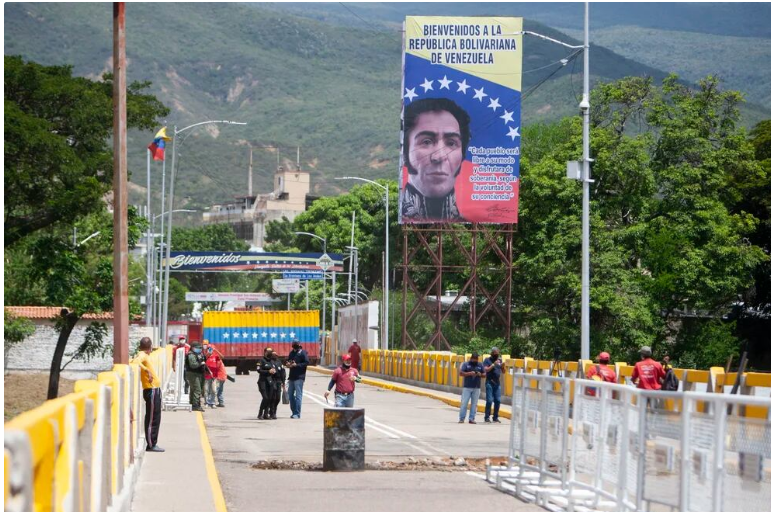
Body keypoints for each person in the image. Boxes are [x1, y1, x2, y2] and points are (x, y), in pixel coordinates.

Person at [401, 97, 470, 222]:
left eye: (451, 143)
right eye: (426, 141)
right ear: (404, 152)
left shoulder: (469, 226)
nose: (439, 156)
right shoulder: (390, 224)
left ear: (462, 155)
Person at [132, 337, 164, 452]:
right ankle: (151, 444)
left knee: (155, 417)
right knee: (152, 418)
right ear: (149, 347)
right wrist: (147, 370)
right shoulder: (142, 355)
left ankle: (153, 442)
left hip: (154, 389)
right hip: (151, 390)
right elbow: (135, 362)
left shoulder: (144, 355)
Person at [285, 341, 309, 418]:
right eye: (293, 344)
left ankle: (297, 413)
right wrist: (288, 364)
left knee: (298, 395)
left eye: (296, 344)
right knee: (290, 395)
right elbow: (288, 361)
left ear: (299, 345)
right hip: (291, 376)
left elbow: (306, 362)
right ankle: (294, 411)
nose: (295, 346)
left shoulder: (302, 352)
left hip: (299, 377)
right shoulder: (291, 353)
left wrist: (297, 365)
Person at [459, 352, 485, 424]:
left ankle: (471, 419)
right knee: (464, 403)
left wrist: (480, 374)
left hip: (477, 388)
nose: (475, 360)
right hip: (467, 387)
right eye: (474, 359)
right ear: (471, 358)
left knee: (474, 404)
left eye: (476, 359)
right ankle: (461, 418)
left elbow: (484, 374)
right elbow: (461, 373)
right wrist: (469, 373)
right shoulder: (466, 364)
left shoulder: (480, 365)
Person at [483, 347, 505, 423]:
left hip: (497, 383)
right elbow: (486, 369)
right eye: (495, 353)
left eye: (497, 353)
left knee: (498, 400)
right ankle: (487, 417)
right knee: (489, 400)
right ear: (492, 353)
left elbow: (504, 372)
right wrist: (493, 365)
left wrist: (503, 366)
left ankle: (495, 417)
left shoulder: (499, 360)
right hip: (489, 382)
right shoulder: (487, 360)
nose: (496, 355)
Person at [185, 342, 206, 412]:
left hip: (198, 373)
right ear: (193, 348)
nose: (199, 349)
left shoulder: (198, 354)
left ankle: (192, 403)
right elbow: (193, 365)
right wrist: (200, 364)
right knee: (197, 389)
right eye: (197, 348)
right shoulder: (191, 354)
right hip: (193, 373)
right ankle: (195, 405)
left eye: (200, 348)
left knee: (193, 389)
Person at [257, 347, 276, 419]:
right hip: (262, 381)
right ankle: (260, 413)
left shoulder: (272, 361)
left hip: (270, 381)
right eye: (268, 351)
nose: (270, 353)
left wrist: (274, 371)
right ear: (265, 352)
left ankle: (265, 414)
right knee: (265, 398)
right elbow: (259, 370)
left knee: (269, 398)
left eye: (271, 351)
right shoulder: (261, 360)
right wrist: (268, 371)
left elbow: (275, 369)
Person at [267, 351, 286, 419]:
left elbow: (283, 372)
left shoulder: (279, 362)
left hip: (278, 381)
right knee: (273, 397)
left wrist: (283, 382)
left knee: (278, 398)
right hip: (272, 381)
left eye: (276, 354)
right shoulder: (269, 362)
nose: (275, 355)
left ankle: (273, 410)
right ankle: (273, 413)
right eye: (273, 354)